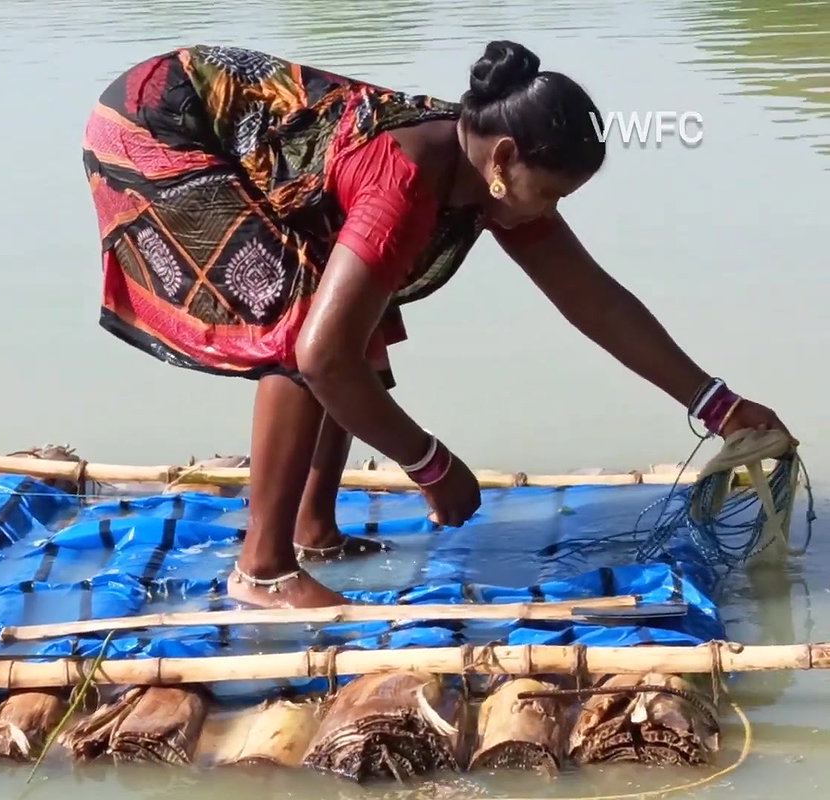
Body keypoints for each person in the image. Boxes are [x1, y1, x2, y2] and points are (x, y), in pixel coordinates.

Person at [81, 40, 795, 609]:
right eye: (548, 194)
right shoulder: (405, 181)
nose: (547, 212)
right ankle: (262, 571)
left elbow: (595, 300)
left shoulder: (485, 168)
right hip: (158, 127)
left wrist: (718, 405)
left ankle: (313, 529)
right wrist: (429, 463)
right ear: (505, 160)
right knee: (302, 328)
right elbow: (323, 357)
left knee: (349, 313)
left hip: (226, 129)